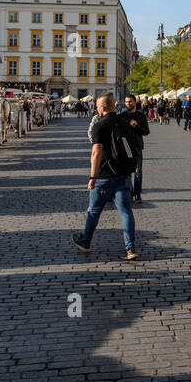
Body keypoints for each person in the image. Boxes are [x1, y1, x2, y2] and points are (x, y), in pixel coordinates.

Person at [71, 94, 138, 260]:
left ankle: (86, 241)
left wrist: (92, 177)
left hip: (103, 176)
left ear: (101, 108)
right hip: (123, 175)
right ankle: (130, 249)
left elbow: (96, 152)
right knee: (126, 212)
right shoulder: (124, 123)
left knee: (94, 211)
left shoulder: (100, 125)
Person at [118, 94, 150, 201]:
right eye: (126, 102)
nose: (128, 104)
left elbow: (146, 132)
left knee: (138, 172)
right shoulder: (121, 116)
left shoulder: (141, 116)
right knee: (127, 172)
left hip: (137, 147)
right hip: (125, 148)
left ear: (135, 102)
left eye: (130, 102)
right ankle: (130, 193)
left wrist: (137, 126)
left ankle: (137, 193)